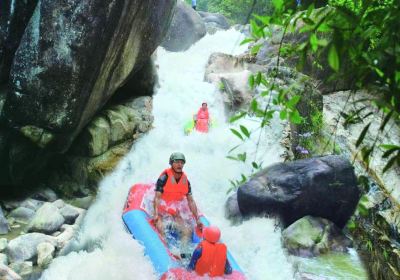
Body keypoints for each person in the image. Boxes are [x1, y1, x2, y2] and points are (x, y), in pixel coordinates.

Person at [153, 152, 202, 246]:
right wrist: (155, 213)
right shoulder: (164, 178)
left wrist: (197, 219)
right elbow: (157, 198)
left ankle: (183, 252)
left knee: (187, 231)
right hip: (162, 208)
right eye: (177, 162)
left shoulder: (186, 181)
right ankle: (166, 250)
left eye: (181, 162)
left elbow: (191, 201)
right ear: (171, 163)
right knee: (161, 227)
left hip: (174, 210)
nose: (179, 164)